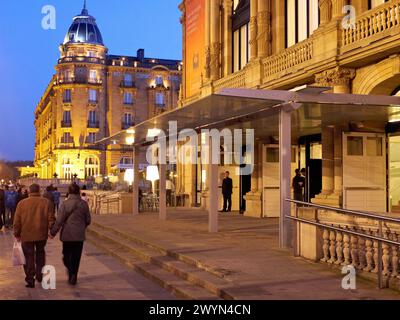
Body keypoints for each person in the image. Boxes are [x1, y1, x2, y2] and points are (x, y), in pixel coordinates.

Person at [13, 184, 55, 288]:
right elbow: (51, 219)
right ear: (39, 191)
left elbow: (17, 222)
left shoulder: (21, 204)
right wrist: (51, 231)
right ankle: (39, 274)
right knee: (40, 254)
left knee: (28, 256)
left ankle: (30, 278)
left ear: (29, 191)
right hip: (41, 234)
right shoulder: (46, 202)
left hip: (26, 234)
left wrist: (17, 233)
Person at [50, 183, 91, 286]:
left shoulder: (65, 204)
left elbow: (59, 221)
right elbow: (88, 220)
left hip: (67, 235)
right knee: (76, 257)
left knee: (66, 255)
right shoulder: (83, 204)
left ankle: (71, 271)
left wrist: (52, 232)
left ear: (69, 192)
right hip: (79, 236)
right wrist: (82, 227)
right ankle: (74, 275)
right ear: (78, 191)